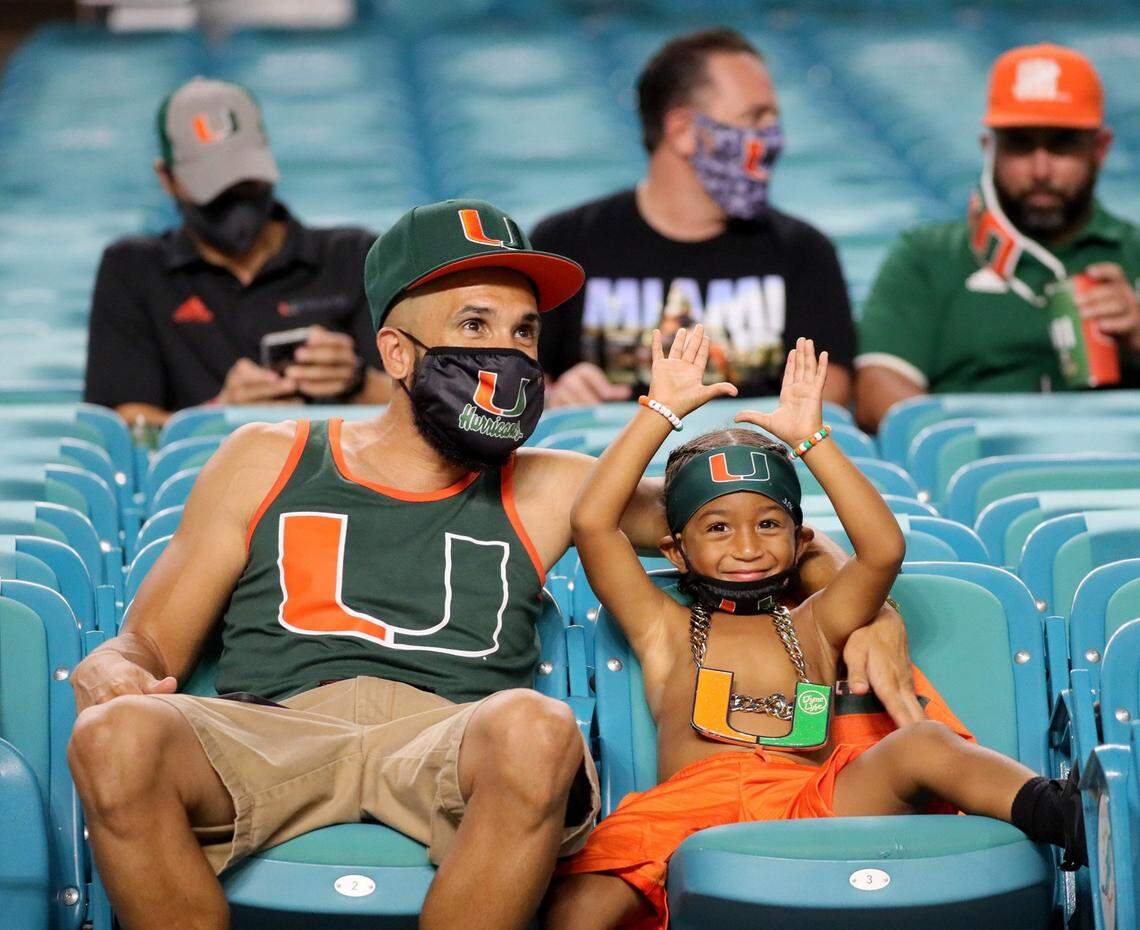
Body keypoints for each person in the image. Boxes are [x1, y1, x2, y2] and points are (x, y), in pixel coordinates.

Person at [67, 199, 917, 930]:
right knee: (116, 737)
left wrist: (870, 611)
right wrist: (114, 664)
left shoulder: (550, 486)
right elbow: (149, 649)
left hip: (449, 736)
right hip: (275, 727)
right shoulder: (268, 456)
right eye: (473, 327)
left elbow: (749, 528)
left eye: (523, 332)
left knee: (538, 729)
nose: (506, 357)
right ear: (397, 354)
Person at [545, 329, 1084, 929]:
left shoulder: (816, 624)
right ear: (675, 551)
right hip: (685, 809)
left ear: (802, 541)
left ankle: (1069, 812)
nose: (747, 547)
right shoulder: (662, 627)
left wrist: (810, 440)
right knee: (581, 906)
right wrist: (659, 411)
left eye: (770, 524)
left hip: (809, 798)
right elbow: (592, 523)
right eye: (718, 528)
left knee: (923, 745)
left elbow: (882, 551)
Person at [531, 28, 855, 408]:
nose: (773, 139)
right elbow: (522, 382)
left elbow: (829, 398)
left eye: (773, 120)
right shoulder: (565, 243)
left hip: (754, 462)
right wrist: (556, 398)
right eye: (755, 118)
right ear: (684, 132)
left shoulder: (803, 250)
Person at [855, 43, 1140, 432]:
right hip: (974, 479)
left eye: (1062, 145)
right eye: (1020, 145)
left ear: (1100, 150)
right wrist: (968, 446)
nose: (1041, 170)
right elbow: (877, 390)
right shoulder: (926, 256)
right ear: (989, 148)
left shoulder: (1134, 251)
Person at [83, 77, 389, 428]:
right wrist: (222, 415)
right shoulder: (135, 270)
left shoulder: (353, 256)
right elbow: (122, 424)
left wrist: (356, 382)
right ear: (167, 179)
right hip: (198, 479)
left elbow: (417, 406)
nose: (235, 199)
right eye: (214, 185)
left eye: (247, 180)